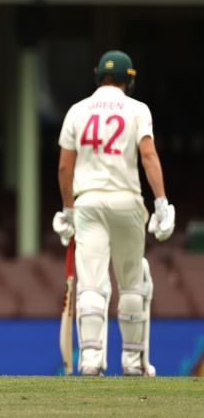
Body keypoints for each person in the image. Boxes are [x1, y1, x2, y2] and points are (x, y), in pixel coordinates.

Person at [52, 50, 175, 376]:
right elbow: (148, 155)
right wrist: (161, 201)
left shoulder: (78, 110)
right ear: (129, 79)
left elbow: (65, 165)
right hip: (126, 202)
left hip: (89, 203)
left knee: (91, 283)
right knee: (133, 281)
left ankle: (91, 359)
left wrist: (67, 209)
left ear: (97, 76)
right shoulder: (137, 109)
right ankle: (133, 361)